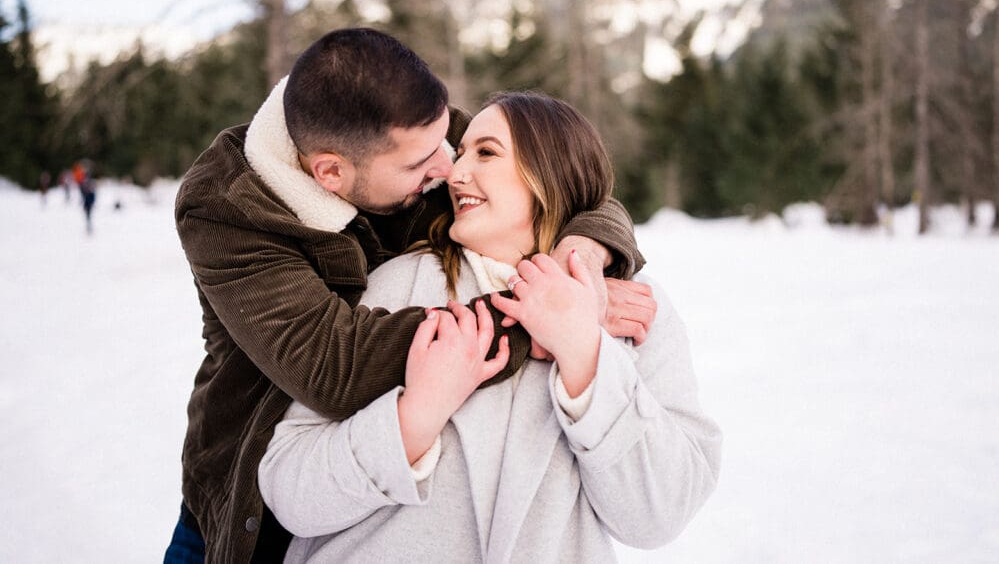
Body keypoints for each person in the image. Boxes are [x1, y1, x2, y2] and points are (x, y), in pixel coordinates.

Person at [168, 29, 653, 563]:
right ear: (331, 172)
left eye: (454, 142)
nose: (449, 169)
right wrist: (541, 315)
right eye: (421, 164)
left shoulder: (415, 132)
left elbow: (568, 177)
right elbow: (333, 364)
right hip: (250, 504)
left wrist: (580, 253)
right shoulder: (227, 206)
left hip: (378, 504)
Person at [259, 92, 721, 562]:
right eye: (459, 154)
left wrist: (585, 354)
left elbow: (659, 515)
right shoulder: (395, 284)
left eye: (486, 152)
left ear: (552, 169)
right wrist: (415, 417)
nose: (454, 174)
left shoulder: (632, 308)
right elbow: (291, 493)